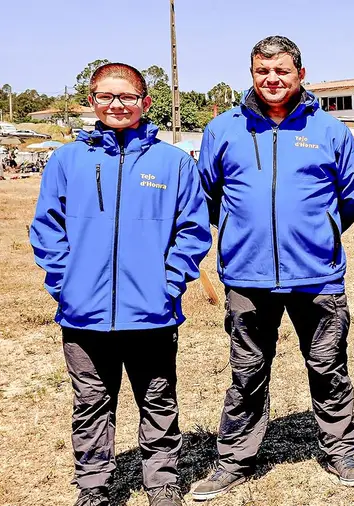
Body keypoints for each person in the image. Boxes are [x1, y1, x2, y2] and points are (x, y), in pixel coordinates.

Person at [192, 36, 354, 500]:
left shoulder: (330, 131)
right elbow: (208, 195)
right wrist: (239, 230)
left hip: (317, 275)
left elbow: (350, 200)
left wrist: (318, 233)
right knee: (246, 371)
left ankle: (339, 450)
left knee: (328, 366)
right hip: (247, 276)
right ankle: (233, 459)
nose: (272, 80)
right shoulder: (224, 129)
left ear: (300, 74)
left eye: (282, 72)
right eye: (261, 72)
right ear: (252, 74)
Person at [29, 62, 212, 506]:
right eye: (106, 96)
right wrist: (65, 282)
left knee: (158, 400)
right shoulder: (67, 161)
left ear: (144, 102)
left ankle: (162, 481)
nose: (117, 104)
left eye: (127, 96)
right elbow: (47, 228)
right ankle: (93, 485)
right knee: (90, 404)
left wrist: (169, 284)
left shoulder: (171, 163)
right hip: (83, 314)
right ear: (92, 102)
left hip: (151, 312)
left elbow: (192, 230)